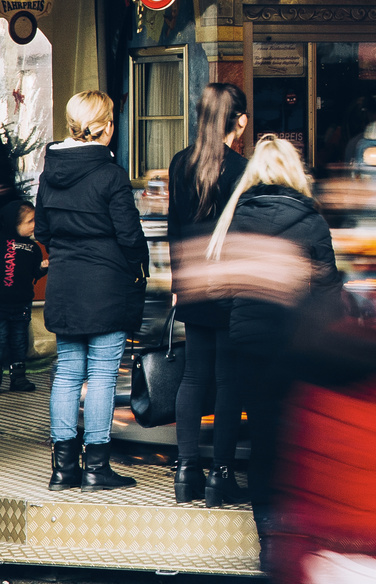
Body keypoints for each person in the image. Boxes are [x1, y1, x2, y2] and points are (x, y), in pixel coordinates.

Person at [205, 135, 344, 568]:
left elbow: (223, 288)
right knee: (301, 441)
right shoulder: (311, 220)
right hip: (299, 345)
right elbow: (327, 288)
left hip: (249, 345)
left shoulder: (238, 216)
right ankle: (302, 539)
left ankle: (270, 545)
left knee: (264, 443)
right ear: (294, 172)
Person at [37, 89, 148, 491]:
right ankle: (96, 468)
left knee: (67, 372)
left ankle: (62, 469)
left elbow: (42, 230)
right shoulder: (111, 175)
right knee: (101, 375)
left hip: (65, 285)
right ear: (108, 127)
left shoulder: (50, 171)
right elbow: (131, 237)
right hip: (105, 286)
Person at [167, 83, 250, 506]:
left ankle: (185, 474)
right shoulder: (242, 169)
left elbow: (174, 231)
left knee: (193, 376)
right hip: (231, 286)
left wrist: (179, 285)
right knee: (228, 381)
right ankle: (221, 476)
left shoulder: (180, 163)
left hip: (193, 285)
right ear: (241, 121)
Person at [0, 200, 43, 391]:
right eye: (30, 221)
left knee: (19, 341)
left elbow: (34, 272)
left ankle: (18, 378)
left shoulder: (33, 248)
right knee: (1, 340)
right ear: (13, 222)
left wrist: (42, 268)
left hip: (21, 304)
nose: (34, 225)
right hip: (1, 304)